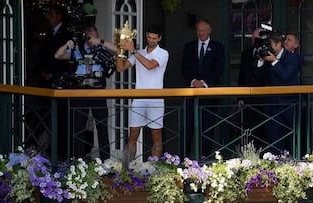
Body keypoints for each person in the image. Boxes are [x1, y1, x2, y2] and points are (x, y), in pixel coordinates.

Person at [54, 24, 117, 161]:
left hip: (98, 89)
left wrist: (99, 41)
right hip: (80, 90)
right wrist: (66, 44)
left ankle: (105, 160)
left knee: (101, 125)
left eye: (92, 33)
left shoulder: (102, 47)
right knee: (78, 126)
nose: (90, 36)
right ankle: (79, 160)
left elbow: (118, 51)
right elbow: (58, 55)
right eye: (88, 34)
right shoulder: (78, 49)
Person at [116, 24, 169, 160]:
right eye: (149, 37)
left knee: (156, 134)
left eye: (154, 38)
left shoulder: (163, 53)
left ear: (159, 39)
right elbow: (120, 68)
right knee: (133, 133)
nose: (151, 40)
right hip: (139, 98)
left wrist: (133, 51)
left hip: (156, 98)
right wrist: (119, 49)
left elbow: (150, 66)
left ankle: (154, 168)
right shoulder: (140, 52)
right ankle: (126, 168)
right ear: (146, 36)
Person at [181, 19, 224, 158]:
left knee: (207, 128)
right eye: (199, 31)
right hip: (191, 94)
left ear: (209, 30)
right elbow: (184, 68)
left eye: (203, 30)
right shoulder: (189, 46)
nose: (201, 33)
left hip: (209, 95)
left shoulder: (218, 47)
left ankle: (205, 159)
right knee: (187, 128)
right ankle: (184, 159)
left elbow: (219, 69)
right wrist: (193, 81)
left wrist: (205, 83)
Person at [255, 32, 300, 154]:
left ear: (278, 44)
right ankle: (276, 161)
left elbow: (285, 76)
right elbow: (258, 78)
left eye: (271, 46)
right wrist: (260, 60)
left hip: (289, 104)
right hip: (272, 104)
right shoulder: (268, 57)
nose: (269, 49)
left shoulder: (292, 58)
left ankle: (296, 162)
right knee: (274, 137)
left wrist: (274, 61)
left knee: (292, 136)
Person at [237, 28, 269, 149]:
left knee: (265, 130)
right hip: (249, 99)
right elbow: (242, 76)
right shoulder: (246, 53)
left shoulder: (269, 53)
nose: (256, 41)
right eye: (254, 38)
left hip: (265, 99)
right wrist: (240, 97)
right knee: (250, 129)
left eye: (259, 39)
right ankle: (252, 155)